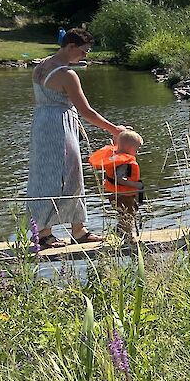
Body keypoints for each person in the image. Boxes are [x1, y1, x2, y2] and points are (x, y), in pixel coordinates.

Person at [26, 28, 128, 248]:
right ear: (70, 47)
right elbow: (87, 111)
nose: (85, 56)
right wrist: (115, 130)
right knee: (70, 172)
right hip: (59, 125)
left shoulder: (42, 65)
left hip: (41, 121)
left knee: (43, 173)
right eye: (83, 51)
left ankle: (59, 230)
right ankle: (54, 232)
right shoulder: (67, 74)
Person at [89, 129, 144, 238]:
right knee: (127, 216)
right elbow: (119, 179)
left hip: (116, 194)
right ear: (129, 148)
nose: (137, 152)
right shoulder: (124, 163)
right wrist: (136, 185)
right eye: (137, 149)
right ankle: (127, 237)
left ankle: (120, 233)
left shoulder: (117, 157)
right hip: (123, 196)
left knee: (126, 216)